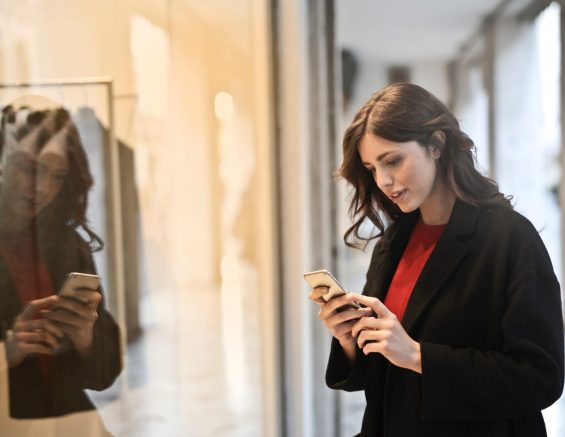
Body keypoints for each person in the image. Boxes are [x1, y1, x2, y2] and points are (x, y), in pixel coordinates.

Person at [309, 83, 564, 436]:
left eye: (393, 160)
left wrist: (417, 356)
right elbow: (381, 371)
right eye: (371, 168)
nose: (383, 181)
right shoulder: (394, 241)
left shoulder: (508, 237)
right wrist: (351, 341)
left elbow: (541, 377)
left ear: (437, 144)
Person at [0, 100, 121, 421]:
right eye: (31, 169)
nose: (42, 189)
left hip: (65, 418)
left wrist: (85, 339)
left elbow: (104, 374)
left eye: (57, 176)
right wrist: (7, 352)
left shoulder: (68, 244)